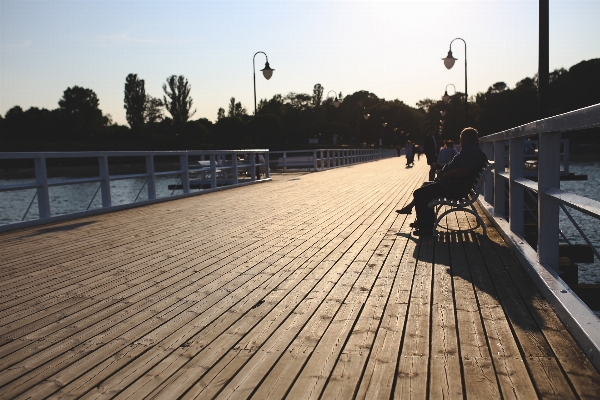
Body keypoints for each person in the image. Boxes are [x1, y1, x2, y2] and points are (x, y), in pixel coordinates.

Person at [395, 127, 488, 236]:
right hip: (454, 185)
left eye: (461, 139)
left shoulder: (470, 151)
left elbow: (463, 170)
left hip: (455, 189)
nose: (460, 142)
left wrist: (445, 174)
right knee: (424, 190)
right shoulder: (472, 150)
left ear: (465, 139)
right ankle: (424, 223)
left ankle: (426, 228)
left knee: (419, 193)